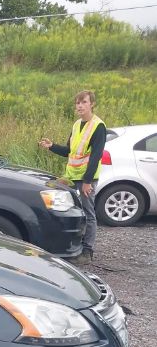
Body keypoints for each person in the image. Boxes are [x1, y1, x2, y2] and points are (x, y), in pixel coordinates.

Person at [40, 90, 106, 265]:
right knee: (56, 198)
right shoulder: (77, 125)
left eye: (83, 102)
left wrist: (87, 182)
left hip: (86, 178)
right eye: (77, 103)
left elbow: (96, 156)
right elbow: (69, 151)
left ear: (92, 104)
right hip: (70, 175)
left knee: (88, 213)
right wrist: (52, 146)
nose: (79, 106)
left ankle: (87, 251)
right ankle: (64, 243)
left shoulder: (98, 126)